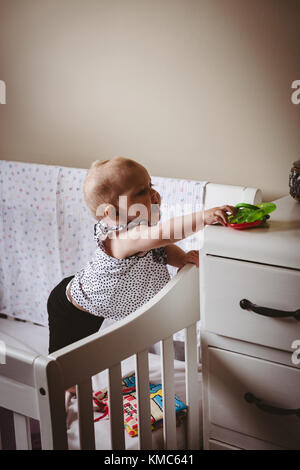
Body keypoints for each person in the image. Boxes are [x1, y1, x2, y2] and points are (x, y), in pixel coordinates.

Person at [47, 156, 236, 364]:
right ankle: (66, 391)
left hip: (97, 308)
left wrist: (180, 257)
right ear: (112, 213)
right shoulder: (121, 238)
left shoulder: (141, 229)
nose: (153, 193)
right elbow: (163, 235)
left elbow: (160, 247)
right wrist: (204, 217)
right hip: (72, 309)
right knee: (64, 366)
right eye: (141, 191)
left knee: (84, 358)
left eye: (150, 185)